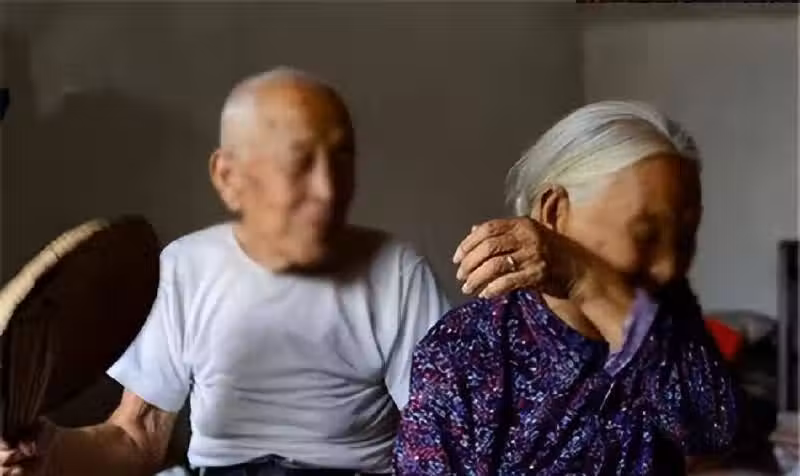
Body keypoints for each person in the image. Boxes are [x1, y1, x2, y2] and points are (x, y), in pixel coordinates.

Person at [0, 68, 462, 476]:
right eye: (299, 162)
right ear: (228, 176)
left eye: (341, 159)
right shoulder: (184, 268)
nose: (327, 189)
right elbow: (136, 439)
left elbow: (449, 440)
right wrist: (48, 456)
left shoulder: (398, 272)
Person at [395, 101, 741, 475]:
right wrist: (581, 277)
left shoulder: (667, 312)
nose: (670, 267)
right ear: (553, 213)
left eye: (685, 238)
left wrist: (593, 286)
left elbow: (715, 436)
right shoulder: (467, 348)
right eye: (645, 235)